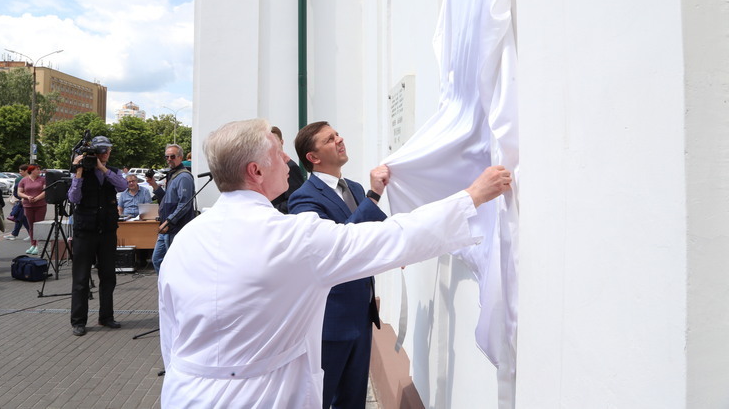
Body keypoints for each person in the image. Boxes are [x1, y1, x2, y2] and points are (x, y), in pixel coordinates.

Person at [157, 119, 511, 408]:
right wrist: (472, 197)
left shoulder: (186, 239)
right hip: (261, 396)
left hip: (184, 392)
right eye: (280, 155)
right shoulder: (291, 237)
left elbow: (171, 334)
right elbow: (393, 237)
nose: (288, 162)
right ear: (256, 171)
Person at [288, 121, 387, 409]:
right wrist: (374, 196)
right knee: (323, 397)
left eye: (338, 134)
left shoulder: (354, 188)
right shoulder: (303, 198)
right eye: (330, 139)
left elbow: (374, 235)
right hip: (331, 319)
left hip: (361, 313)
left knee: (353, 399)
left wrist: (399, 251)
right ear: (313, 157)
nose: (340, 139)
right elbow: (332, 248)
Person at [68, 135, 127, 336]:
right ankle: (78, 321)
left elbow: (122, 186)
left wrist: (103, 169)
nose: (104, 155)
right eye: (100, 152)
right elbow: (74, 198)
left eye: (106, 151)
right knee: (81, 278)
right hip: (85, 231)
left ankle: (106, 316)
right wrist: (78, 172)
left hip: (107, 230)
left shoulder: (113, 171)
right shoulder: (81, 172)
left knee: (108, 276)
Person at [146, 144, 195, 273]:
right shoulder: (173, 175)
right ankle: (165, 289)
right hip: (166, 228)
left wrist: (169, 221)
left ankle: (175, 290)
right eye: (166, 157)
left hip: (175, 228)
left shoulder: (184, 177)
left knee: (174, 264)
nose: (169, 159)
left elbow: (184, 204)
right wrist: (154, 185)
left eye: (172, 156)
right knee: (157, 260)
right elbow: (165, 199)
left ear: (180, 157)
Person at [270, 126, 304, 214]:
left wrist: (269, 210)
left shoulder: (290, 167)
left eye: (274, 141)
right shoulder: (266, 167)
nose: (271, 145)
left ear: (282, 142)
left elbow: (295, 200)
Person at [18, 165, 46, 255]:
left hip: (40, 205)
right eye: (37, 169)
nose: (39, 171)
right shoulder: (24, 180)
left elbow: (45, 191)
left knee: (39, 225)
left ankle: (38, 245)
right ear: (31, 171)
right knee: (31, 225)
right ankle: (33, 244)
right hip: (28, 205)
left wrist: (37, 198)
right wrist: (27, 197)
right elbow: (19, 192)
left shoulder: (42, 179)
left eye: (39, 169)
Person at [5, 164, 30, 240]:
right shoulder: (19, 179)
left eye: (21, 171)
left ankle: (31, 234)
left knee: (22, 217)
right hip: (20, 201)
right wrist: (19, 197)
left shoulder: (30, 179)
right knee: (19, 217)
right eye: (19, 171)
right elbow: (16, 190)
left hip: (27, 202)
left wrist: (24, 197)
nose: (20, 172)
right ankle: (15, 234)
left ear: (26, 171)